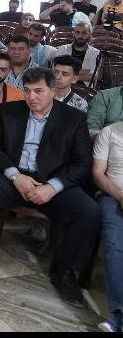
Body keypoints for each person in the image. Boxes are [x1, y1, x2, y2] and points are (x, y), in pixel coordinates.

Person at [0, 68, 100, 309]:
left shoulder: (73, 118)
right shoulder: (9, 111)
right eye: (27, 90)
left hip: (52, 182)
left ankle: (66, 270)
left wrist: (52, 187)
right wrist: (15, 176)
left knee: (89, 211)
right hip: (14, 177)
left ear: (53, 91)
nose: (31, 97)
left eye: (38, 91)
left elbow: (82, 163)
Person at [92, 121, 123, 332]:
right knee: (114, 244)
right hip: (112, 196)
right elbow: (97, 173)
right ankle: (119, 314)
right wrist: (120, 196)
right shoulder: (110, 132)